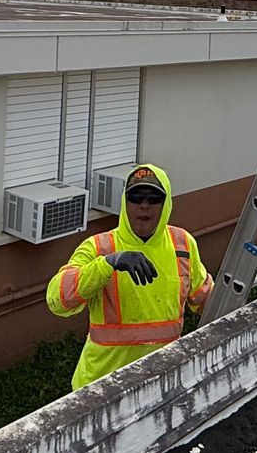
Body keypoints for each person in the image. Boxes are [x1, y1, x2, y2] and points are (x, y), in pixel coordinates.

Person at [47, 162, 213, 388]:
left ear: (166, 204)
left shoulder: (182, 243)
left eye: (153, 198)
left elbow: (206, 300)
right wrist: (108, 264)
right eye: (136, 197)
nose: (144, 206)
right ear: (125, 203)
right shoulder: (99, 247)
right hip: (101, 388)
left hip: (161, 382)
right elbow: (57, 300)